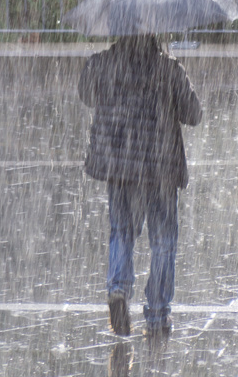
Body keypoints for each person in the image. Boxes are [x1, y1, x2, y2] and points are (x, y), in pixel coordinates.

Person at [78, 34, 202, 336]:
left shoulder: (101, 64)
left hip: (120, 165)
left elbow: (87, 95)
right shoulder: (168, 69)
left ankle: (118, 288)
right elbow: (193, 115)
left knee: (122, 231)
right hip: (159, 167)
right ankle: (158, 315)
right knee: (163, 242)